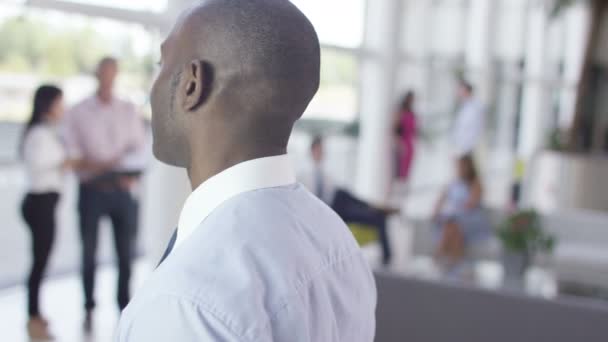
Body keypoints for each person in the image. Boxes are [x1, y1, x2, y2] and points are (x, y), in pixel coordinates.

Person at [116, 1, 376, 341]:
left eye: (160, 64)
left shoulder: (186, 302)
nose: (152, 87)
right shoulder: (336, 241)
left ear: (192, 84)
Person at [64, 57, 146, 331]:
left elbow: (138, 150)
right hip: (91, 192)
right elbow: (73, 157)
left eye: (113, 73)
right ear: (97, 74)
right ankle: (88, 308)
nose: (108, 78)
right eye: (104, 73)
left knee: (126, 253)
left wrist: (107, 166)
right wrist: (106, 164)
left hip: (122, 192)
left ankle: (124, 307)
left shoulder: (127, 110)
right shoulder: (78, 111)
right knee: (89, 252)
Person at [20, 85, 73, 340]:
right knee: (39, 262)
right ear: (48, 104)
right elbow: (42, 163)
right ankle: (33, 313)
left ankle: (35, 312)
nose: (63, 108)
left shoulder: (47, 132)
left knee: (40, 260)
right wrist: (64, 162)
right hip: (39, 203)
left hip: (45, 203)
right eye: (60, 103)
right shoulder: (39, 134)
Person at [300, 136, 394, 265]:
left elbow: (343, 196)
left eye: (323, 150)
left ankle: (374, 209)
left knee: (375, 214)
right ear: (311, 151)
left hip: (336, 212)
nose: (321, 152)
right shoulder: (302, 176)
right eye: (319, 149)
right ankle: (374, 207)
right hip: (317, 214)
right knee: (342, 194)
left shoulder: (328, 175)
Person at [432, 154, 490, 266]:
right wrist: (437, 211)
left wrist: (454, 210)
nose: (460, 168)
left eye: (462, 166)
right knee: (452, 226)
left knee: (452, 225)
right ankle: (454, 263)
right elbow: (440, 201)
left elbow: (471, 204)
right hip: (454, 218)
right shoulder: (452, 183)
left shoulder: (475, 183)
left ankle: (439, 257)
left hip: (471, 219)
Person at [451, 79, 484, 157]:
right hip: (461, 148)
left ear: (467, 91)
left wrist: (465, 148)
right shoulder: (464, 106)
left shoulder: (475, 108)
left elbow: (475, 129)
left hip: (467, 150)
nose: (458, 93)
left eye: (461, 90)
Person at [394, 91, 417, 181]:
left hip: (410, 143)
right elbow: (396, 130)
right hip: (403, 142)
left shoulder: (412, 112)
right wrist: (399, 143)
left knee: (407, 168)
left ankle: (404, 184)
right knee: (400, 168)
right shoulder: (400, 112)